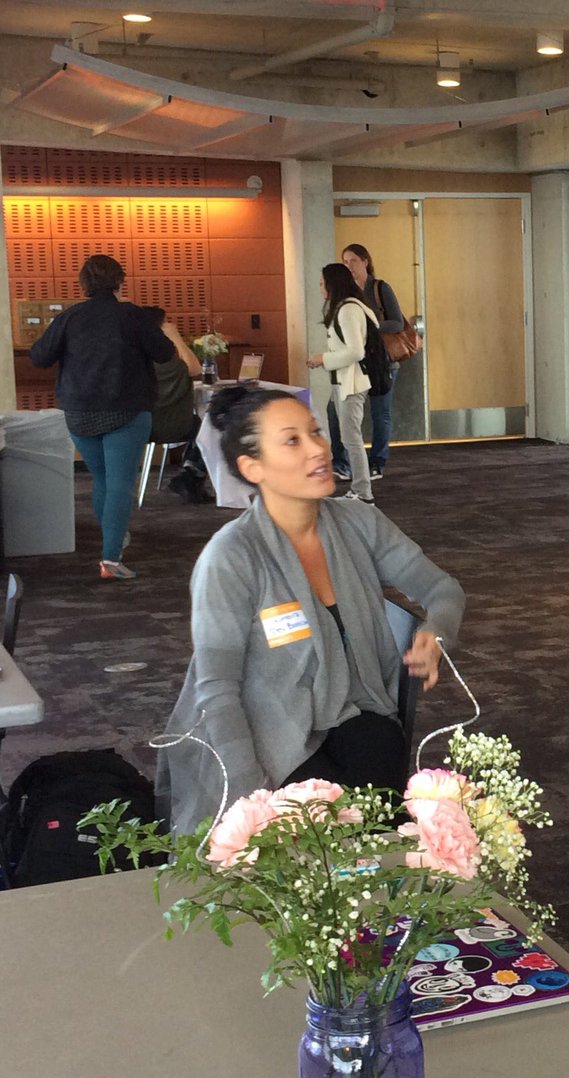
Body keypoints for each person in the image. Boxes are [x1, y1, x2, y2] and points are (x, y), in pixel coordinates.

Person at [156, 387, 464, 836]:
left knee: (379, 760)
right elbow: (217, 690)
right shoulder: (231, 556)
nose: (318, 448)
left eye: (316, 432)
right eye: (292, 440)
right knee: (321, 828)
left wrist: (435, 634)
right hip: (261, 729)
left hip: (350, 710)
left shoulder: (358, 522)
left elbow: (443, 589)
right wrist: (251, 799)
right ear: (253, 468)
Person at [28, 254, 176, 580]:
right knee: (120, 481)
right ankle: (110, 558)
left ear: (84, 284)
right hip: (127, 408)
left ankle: (115, 537)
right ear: (119, 282)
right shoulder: (132, 316)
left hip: (80, 411)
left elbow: (39, 357)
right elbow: (166, 353)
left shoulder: (69, 317)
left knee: (102, 478)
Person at [336, 242, 406, 484]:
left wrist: (369, 327)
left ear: (365, 261)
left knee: (380, 412)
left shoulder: (379, 288)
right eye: (345, 262)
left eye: (353, 260)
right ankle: (343, 463)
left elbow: (397, 322)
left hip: (382, 362)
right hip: (354, 362)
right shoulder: (345, 293)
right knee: (342, 412)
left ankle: (377, 462)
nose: (349, 266)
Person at [307, 262, 376, 504]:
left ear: (332, 284)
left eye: (322, 283)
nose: (320, 288)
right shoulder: (348, 307)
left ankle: (363, 491)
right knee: (349, 438)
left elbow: (356, 352)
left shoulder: (348, 310)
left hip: (352, 383)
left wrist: (323, 359)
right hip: (345, 382)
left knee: (351, 439)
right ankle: (360, 489)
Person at [141, 306, 210, 504]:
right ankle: (191, 474)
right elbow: (195, 368)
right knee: (210, 428)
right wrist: (175, 337)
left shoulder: (135, 359)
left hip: (140, 426)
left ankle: (189, 473)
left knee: (200, 426)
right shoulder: (167, 362)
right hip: (175, 426)